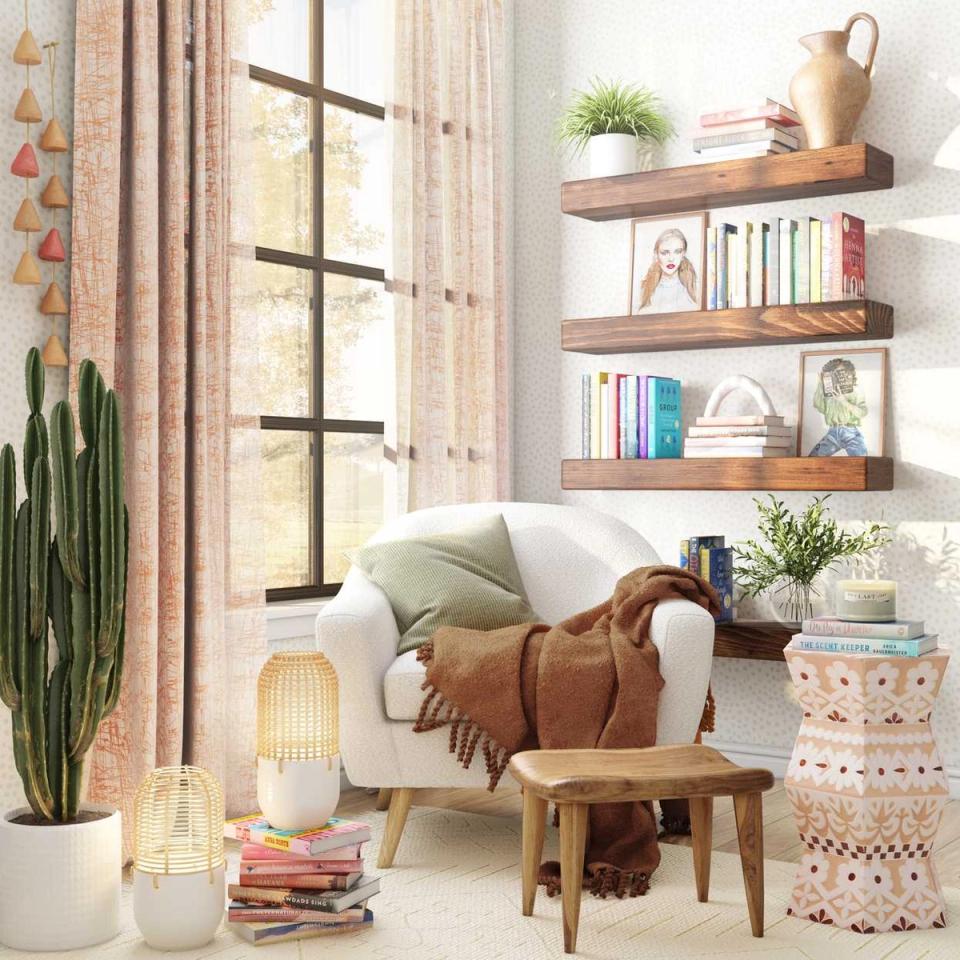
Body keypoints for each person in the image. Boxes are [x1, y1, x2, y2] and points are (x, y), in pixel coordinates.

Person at [808, 358, 868, 456]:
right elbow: (818, 405)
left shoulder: (855, 392)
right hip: (832, 432)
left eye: (839, 374)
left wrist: (844, 401)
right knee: (813, 457)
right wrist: (820, 384)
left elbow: (862, 412)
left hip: (851, 432)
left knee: (861, 460)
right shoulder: (830, 396)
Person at [635, 227, 699, 313]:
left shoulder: (694, 287)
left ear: (683, 254)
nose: (671, 259)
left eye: (677, 252)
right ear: (656, 254)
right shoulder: (642, 288)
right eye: (665, 253)